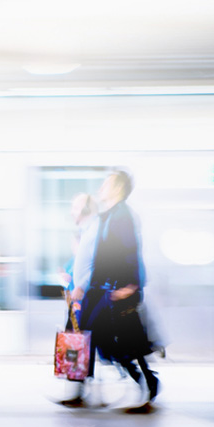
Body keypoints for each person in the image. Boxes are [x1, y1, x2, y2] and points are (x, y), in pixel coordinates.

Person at [70, 172, 158, 414]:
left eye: (106, 183)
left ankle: (148, 384)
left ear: (117, 188)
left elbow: (130, 251)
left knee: (124, 344)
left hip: (117, 290)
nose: (102, 187)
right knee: (95, 339)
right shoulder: (108, 215)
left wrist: (130, 286)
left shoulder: (123, 215)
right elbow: (101, 257)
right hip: (102, 289)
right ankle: (81, 389)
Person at [59, 192, 99, 408]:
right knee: (81, 342)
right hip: (80, 298)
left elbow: (95, 264)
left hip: (88, 298)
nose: (72, 211)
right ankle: (78, 387)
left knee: (84, 342)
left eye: (75, 207)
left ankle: (146, 381)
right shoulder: (85, 231)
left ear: (85, 209)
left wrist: (81, 285)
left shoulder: (93, 231)